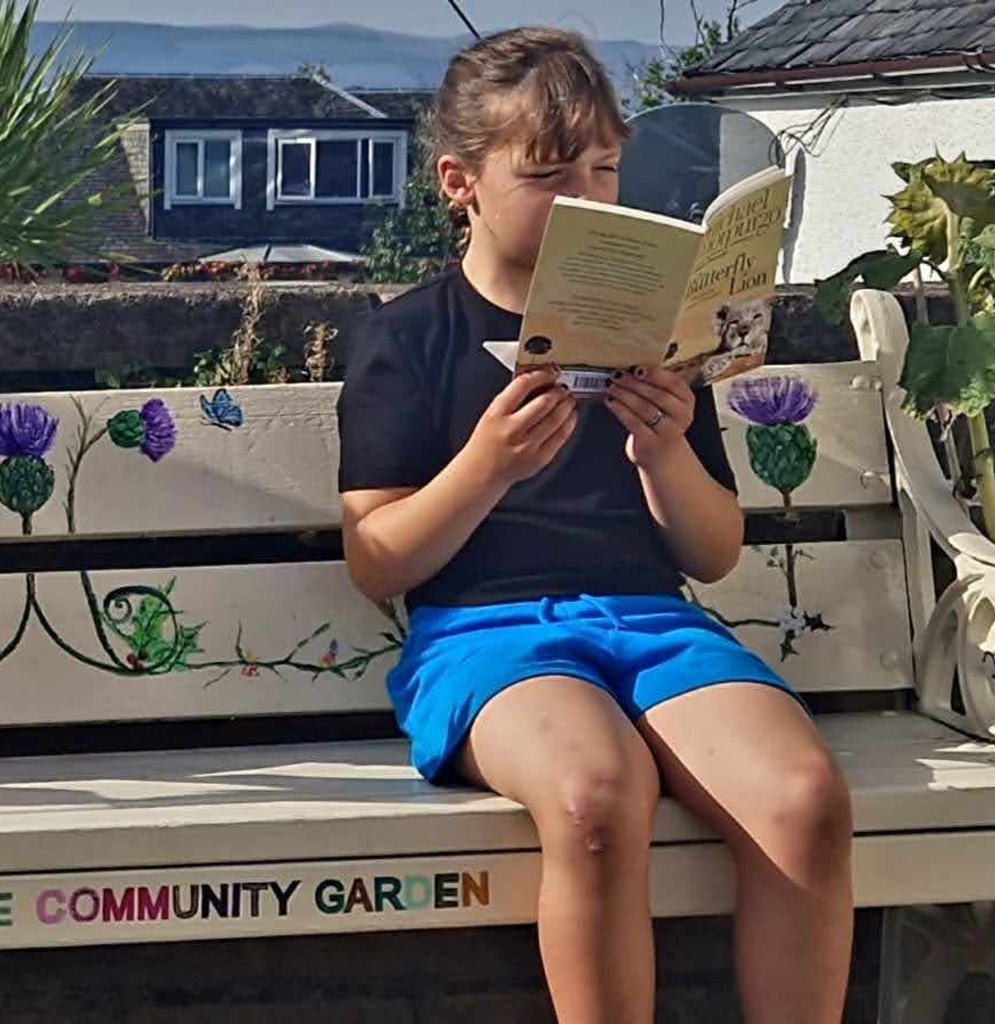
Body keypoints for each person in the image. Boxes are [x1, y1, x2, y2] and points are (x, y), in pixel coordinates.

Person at [335, 27, 853, 1024]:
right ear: (460, 180)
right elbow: (376, 560)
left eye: (605, 169)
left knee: (802, 799)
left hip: (651, 621)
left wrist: (662, 452)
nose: (586, 196)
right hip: (487, 637)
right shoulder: (408, 338)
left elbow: (711, 551)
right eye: (547, 173)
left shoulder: (652, 333)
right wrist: (486, 467)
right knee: (591, 795)